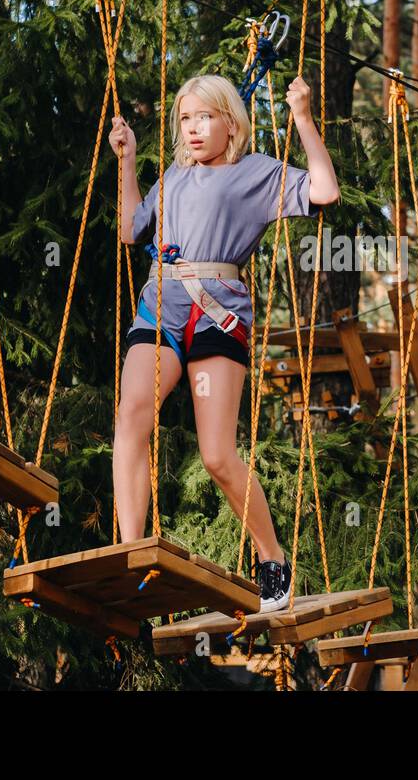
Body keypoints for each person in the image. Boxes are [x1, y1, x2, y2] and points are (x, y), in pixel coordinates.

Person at [108, 73, 339, 612]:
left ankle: (271, 555)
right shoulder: (171, 179)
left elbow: (325, 191)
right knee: (131, 415)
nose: (192, 129)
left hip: (217, 314)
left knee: (216, 456)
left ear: (230, 123)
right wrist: (127, 161)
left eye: (204, 117)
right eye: (185, 119)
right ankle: (131, 551)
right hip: (162, 304)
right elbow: (129, 230)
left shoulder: (255, 173)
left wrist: (302, 118)